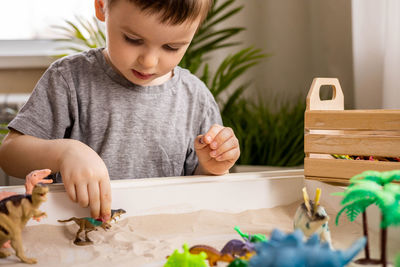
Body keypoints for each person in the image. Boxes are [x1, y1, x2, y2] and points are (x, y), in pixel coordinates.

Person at [0, 0, 240, 222]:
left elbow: (200, 194)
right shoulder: (68, 79)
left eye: (171, 47)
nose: (149, 61)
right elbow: (10, 155)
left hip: (161, 234)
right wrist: (65, 153)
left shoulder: (196, 99)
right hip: (74, 231)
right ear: (102, 6)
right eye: (133, 39)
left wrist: (211, 167)